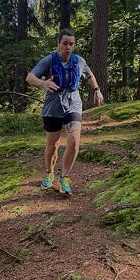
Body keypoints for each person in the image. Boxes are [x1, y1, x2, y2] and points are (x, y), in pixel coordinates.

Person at [26, 29, 104, 196]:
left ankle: (65, 177)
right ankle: (49, 172)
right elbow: (29, 77)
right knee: (53, 144)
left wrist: (97, 90)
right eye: (65, 43)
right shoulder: (49, 61)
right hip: (53, 106)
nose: (68, 47)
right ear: (58, 44)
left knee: (74, 142)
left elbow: (90, 75)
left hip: (73, 104)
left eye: (71, 44)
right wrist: (42, 83)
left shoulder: (79, 61)